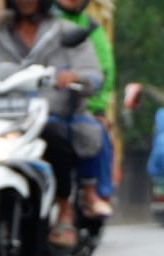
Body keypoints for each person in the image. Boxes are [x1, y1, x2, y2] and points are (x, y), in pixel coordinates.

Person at [0, 0, 103, 247]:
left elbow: (94, 75)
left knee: (57, 144)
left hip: (48, 115)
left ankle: (65, 213)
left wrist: (75, 76)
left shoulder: (64, 32)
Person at [52, 0, 114, 219]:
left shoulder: (90, 28)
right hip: (31, 104)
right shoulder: (31, 25)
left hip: (74, 104)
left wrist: (98, 109)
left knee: (94, 133)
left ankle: (94, 194)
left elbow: (102, 71)